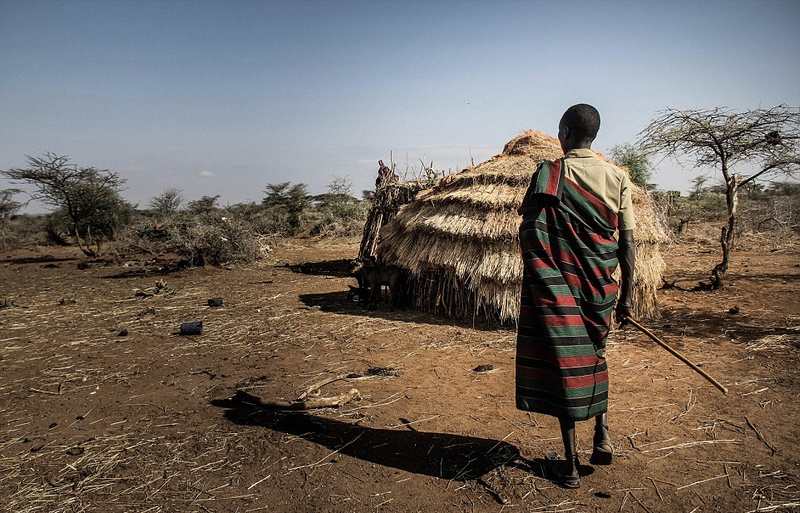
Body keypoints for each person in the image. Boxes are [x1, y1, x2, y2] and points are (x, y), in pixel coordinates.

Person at [516, 104, 636, 489]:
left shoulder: (549, 174)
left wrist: (547, 276)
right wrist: (628, 296)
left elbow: (532, 232)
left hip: (560, 288)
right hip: (601, 288)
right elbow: (627, 245)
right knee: (597, 356)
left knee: (566, 365)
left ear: (565, 132)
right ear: (594, 136)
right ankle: (602, 435)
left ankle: (569, 466)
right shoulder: (618, 177)